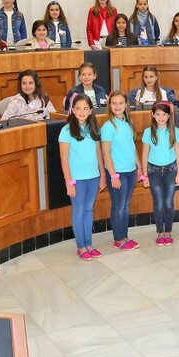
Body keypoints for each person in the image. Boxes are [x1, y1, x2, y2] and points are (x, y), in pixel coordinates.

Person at [59, 93, 106, 261]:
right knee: (79, 211)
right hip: (76, 179)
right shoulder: (66, 131)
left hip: (93, 177)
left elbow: (99, 153)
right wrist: (69, 182)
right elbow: (64, 158)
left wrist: (102, 175)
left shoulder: (94, 128)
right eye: (78, 108)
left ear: (91, 111)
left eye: (85, 108)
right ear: (72, 110)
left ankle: (89, 244)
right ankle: (81, 246)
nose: (81, 111)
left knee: (88, 210)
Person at [139, 102, 179, 246]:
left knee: (169, 203)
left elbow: (178, 153)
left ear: (169, 116)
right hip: (154, 171)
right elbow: (144, 154)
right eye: (158, 114)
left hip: (171, 170)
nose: (161, 117)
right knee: (158, 203)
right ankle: (160, 232)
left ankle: (168, 231)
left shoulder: (174, 131)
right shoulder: (148, 132)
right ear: (153, 115)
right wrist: (145, 175)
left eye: (164, 114)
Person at [99, 90, 139, 249]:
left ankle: (125, 236)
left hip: (131, 171)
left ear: (126, 105)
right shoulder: (108, 127)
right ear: (109, 105)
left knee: (126, 205)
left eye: (121, 103)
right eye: (114, 103)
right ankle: (119, 239)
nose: (117, 106)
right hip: (118, 173)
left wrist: (139, 166)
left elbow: (132, 146)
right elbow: (105, 153)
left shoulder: (128, 123)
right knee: (118, 206)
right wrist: (113, 175)